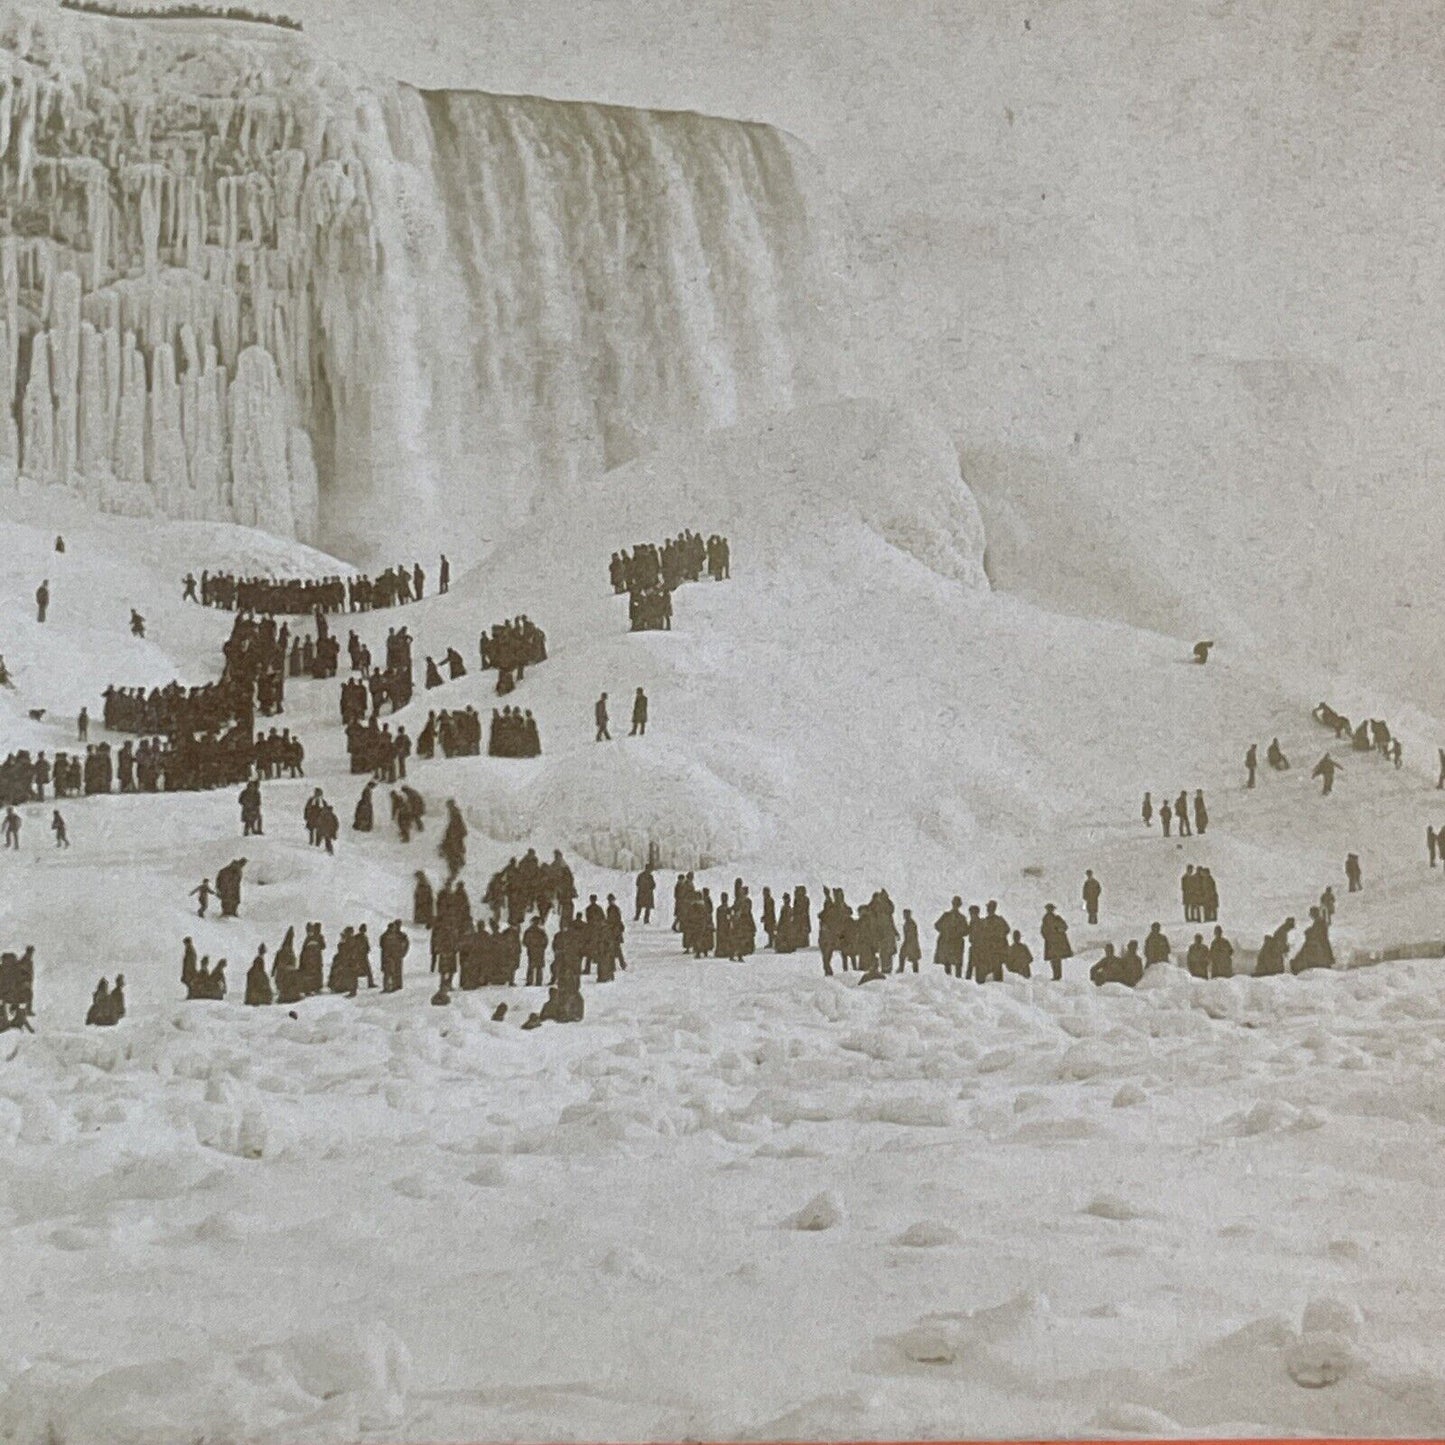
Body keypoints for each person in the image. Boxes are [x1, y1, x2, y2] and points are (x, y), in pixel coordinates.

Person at [1040, 904, 1072, 981]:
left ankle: (1057, 976)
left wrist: (1057, 931)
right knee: (1055, 959)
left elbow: (1064, 927)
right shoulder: (1047, 919)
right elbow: (1043, 931)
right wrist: (1048, 937)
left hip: (1056, 943)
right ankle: (1056, 975)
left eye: (1051, 909)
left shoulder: (1056, 918)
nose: (1050, 910)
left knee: (1056, 959)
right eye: (1049, 909)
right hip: (1053, 943)